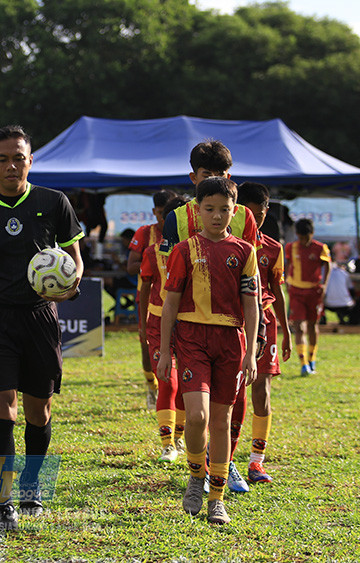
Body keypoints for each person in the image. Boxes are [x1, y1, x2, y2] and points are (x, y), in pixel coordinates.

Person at [0, 125, 84, 532]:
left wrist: (71, 284)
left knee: (39, 412)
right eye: (3, 159)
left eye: (19, 158)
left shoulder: (54, 202)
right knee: (1, 410)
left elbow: (75, 260)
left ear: (31, 160)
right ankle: (4, 501)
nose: (11, 166)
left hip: (39, 317)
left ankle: (35, 487)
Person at [156, 177, 259, 526]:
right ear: (197, 211)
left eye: (224, 210)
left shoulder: (245, 252)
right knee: (197, 417)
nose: (217, 216)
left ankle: (217, 499)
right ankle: (196, 475)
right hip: (192, 339)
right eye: (209, 209)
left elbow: (252, 303)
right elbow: (169, 303)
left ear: (235, 212)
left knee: (221, 422)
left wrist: (251, 351)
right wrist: (163, 350)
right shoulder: (185, 250)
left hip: (231, 341)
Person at [235, 182, 291, 485]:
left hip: (265, 321)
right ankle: (222, 458)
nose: (254, 221)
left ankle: (257, 462)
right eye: (249, 215)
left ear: (266, 212)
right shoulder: (227, 245)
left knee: (262, 390)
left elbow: (277, 291)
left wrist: (287, 331)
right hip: (234, 323)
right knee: (230, 392)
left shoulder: (273, 248)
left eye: (260, 215)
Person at [138, 195, 188, 463]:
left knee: (184, 385)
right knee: (168, 382)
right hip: (159, 323)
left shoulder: (198, 251)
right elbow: (145, 289)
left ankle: (180, 437)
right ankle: (167, 443)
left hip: (190, 324)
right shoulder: (152, 252)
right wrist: (143, 325)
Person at [160, 140, 258, 253]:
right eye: (207, 176)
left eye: (220, 175)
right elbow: (171, 265)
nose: (214, 180)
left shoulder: (245, 215)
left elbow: (251, 262)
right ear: (193, 177)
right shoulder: (175, 218)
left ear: (228, 177)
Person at [127, 190, 177, 410]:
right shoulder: (146, 233)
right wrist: (153, 264)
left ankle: (175, 391)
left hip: (179, 299)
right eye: (160, 213)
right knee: (147, 345)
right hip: (149, 297)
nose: (163, 218)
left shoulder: (184, 234)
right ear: (154, 212)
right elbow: (130, 266)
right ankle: (151, 386)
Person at [286, 218, 331, 376]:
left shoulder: (320, 248)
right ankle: (303, 363)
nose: (304, 241)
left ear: (312, 234)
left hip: (314, 292)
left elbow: (327, 265)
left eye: (307, 237)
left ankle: (312, 358)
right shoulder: (291, 247)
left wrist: (324, 284)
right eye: (301, 237)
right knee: (299, 327)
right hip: (296, 291)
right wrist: (286, 280)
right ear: (297, 235)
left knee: (312, 326)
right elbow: (287, 263)